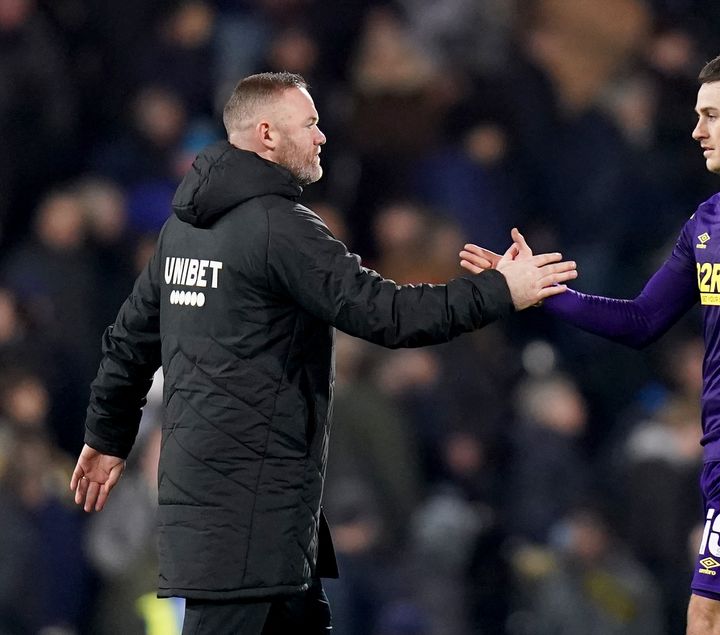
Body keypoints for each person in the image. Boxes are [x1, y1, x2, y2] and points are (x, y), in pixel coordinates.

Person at [69, 71, 577, 635]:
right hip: (250, 522)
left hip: (244, 519)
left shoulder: (184, 231)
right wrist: (501, 291)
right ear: (266, 134)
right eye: (309, 124)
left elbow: (130, 342)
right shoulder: (279, 229)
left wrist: (106, 437)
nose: (321, 137)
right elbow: (386, 313)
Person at [461, 51, 720, 634]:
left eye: (711, 114)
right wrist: (539, 292)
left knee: (710, 618)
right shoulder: (710, 220)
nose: (696, 130)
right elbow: (642, 320)